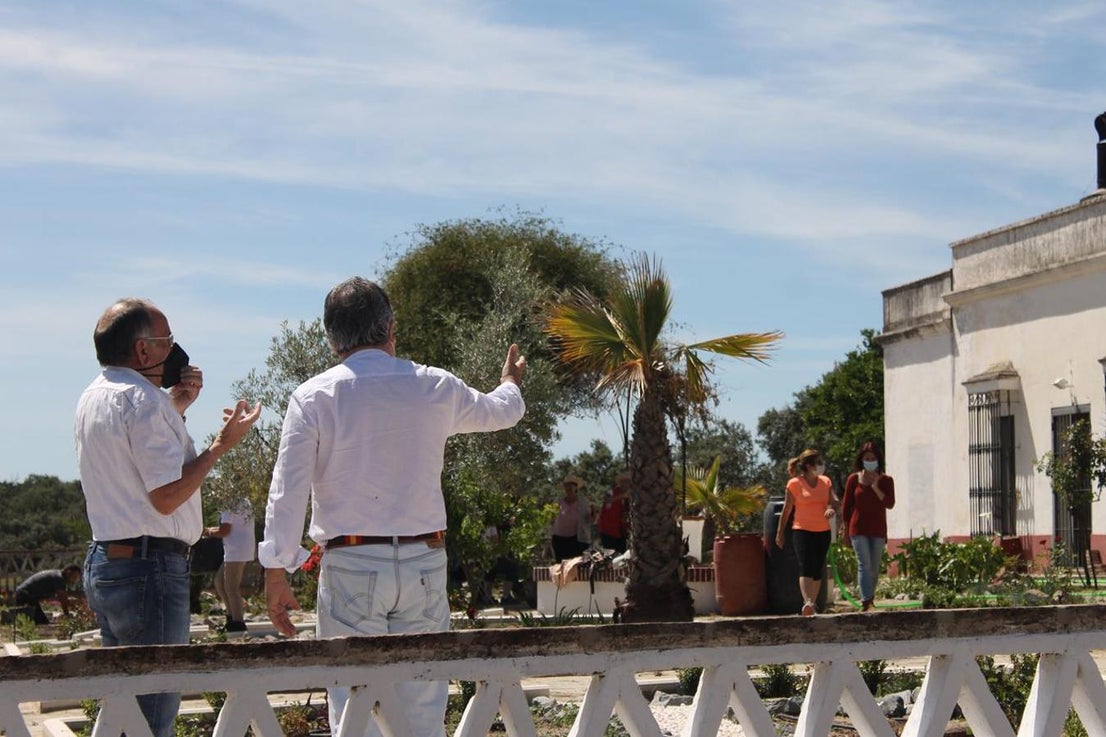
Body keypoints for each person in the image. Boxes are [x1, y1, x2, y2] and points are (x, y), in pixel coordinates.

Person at [259, 277, 526, 737]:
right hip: (424, 560)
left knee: (354, 708)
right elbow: (502, 412)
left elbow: (288, 490)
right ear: (391, 328)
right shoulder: (434, 385)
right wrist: (509, 383)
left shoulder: (313, 397)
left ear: (331, 338)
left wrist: (277, 570)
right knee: (423, 708)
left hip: (352, 561)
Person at [75, 297, 261, 737]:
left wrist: (175, 405)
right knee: (153, 715)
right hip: (150, 568)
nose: (175, 350)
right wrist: (221, 444)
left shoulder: (94, 395)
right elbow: (165, 498)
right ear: (144, 352)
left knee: (121, 712)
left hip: (109, 560)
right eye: (167, 342)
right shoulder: (143, 401)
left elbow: (131, 456)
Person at [774, 448, 837, 616]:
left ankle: (812, 605)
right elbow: (787, 510)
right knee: (805, 565)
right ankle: (807, 601)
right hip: (802, 530)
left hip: (822, 531)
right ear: (809, 466)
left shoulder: (825, 481)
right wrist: (780, 532)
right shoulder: (794, 484)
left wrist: (831, 509)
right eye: (818, 463)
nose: (821, 466)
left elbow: (833, 501)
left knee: (817, 568)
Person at [841, 441, 896, 612]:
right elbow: (846, 506)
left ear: (878, 460)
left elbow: (890, 503)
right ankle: (866, 601)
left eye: (873, 458)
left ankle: (870, 598)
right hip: (858, 529)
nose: (870, 460)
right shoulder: (853, 479)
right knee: (864, 564)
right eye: (867, 458)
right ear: (861, 460)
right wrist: (845, 530)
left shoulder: (886, 480)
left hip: (878, 529)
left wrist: (875, 486)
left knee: (874, 566)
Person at [209, 504, 256, 632]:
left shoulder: (230, 503)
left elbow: (224, 531)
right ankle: (231, 617)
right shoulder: (241, 500)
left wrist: (208, 532)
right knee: (220, 582)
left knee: (231, 587)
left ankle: (238, 624)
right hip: (238, 548)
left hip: (236, 549)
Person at [14, 565, 83, 624]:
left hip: (27, 596)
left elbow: (59, 597)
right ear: (68, 572)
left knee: (42, 621)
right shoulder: (59, 578)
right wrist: (67, 617)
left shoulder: (57, 576)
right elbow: (63, 600)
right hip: (25, 596)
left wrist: (69, 602)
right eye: (74, 577)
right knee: (39, 623)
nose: (74, 580)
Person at [550, 475, 592, 562]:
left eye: (571, 485)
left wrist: (592, 516)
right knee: (561, 565)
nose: (568, 488)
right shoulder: (559, 501)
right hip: (559, 539)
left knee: (576, 565)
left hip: (577, 539)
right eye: (566, 486)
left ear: (575, 487)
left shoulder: (583, 502)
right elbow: (551, 519)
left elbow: (590, 519)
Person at [596, 471, 631, 554]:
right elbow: (606, 500)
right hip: (608, 531)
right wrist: (622, 496)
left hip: (622, 532)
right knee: (610, 556)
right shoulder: (611, 492)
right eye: (626, 481)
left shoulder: (630, 496)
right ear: (621, 482)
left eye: (629, 482)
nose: (627, 484)